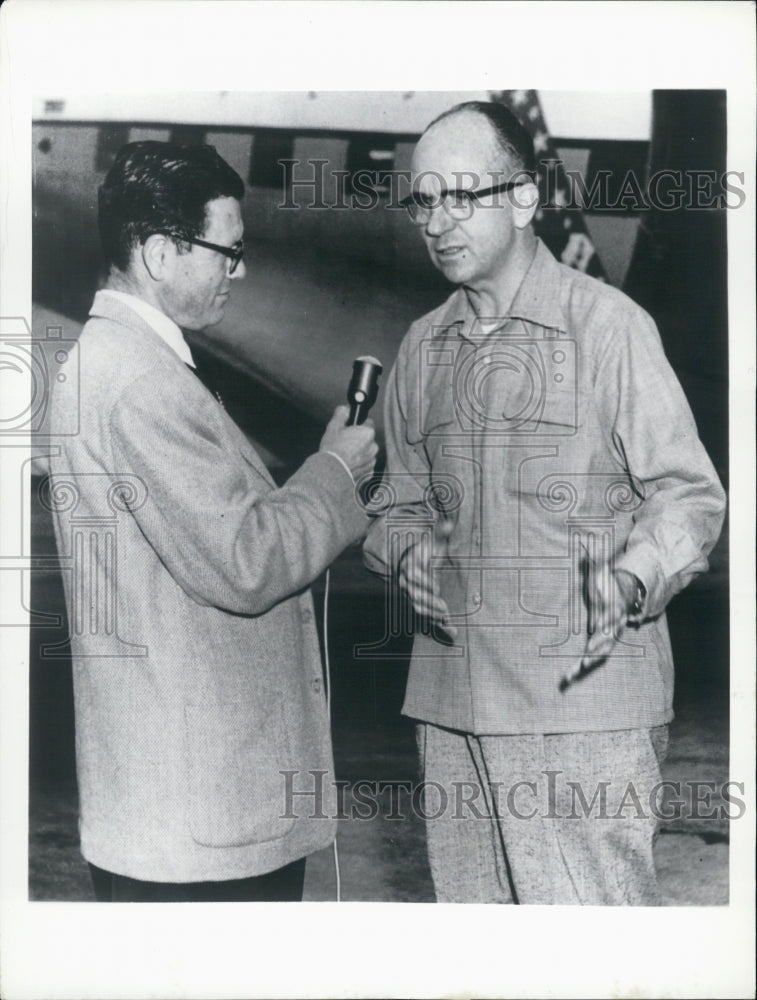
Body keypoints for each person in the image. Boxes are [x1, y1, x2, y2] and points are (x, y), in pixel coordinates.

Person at [363, 101, 726, 904]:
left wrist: (630, 578)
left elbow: (689, 495)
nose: (437, 222)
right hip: (451, 710)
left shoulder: (607, 329)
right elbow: (393, 503)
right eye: (423, 201)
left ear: (524, 199)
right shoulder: (423, 344)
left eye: (461, 196)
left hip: (581, 711)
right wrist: (405, 548)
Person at [48, 141, 377, 902]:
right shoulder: (140, 383)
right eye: (227, 252)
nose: (239, 270)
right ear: (160, 252)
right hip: (200, 825)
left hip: (177, 806)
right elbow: (245, 561)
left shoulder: (126, 364)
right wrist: (333, 473)